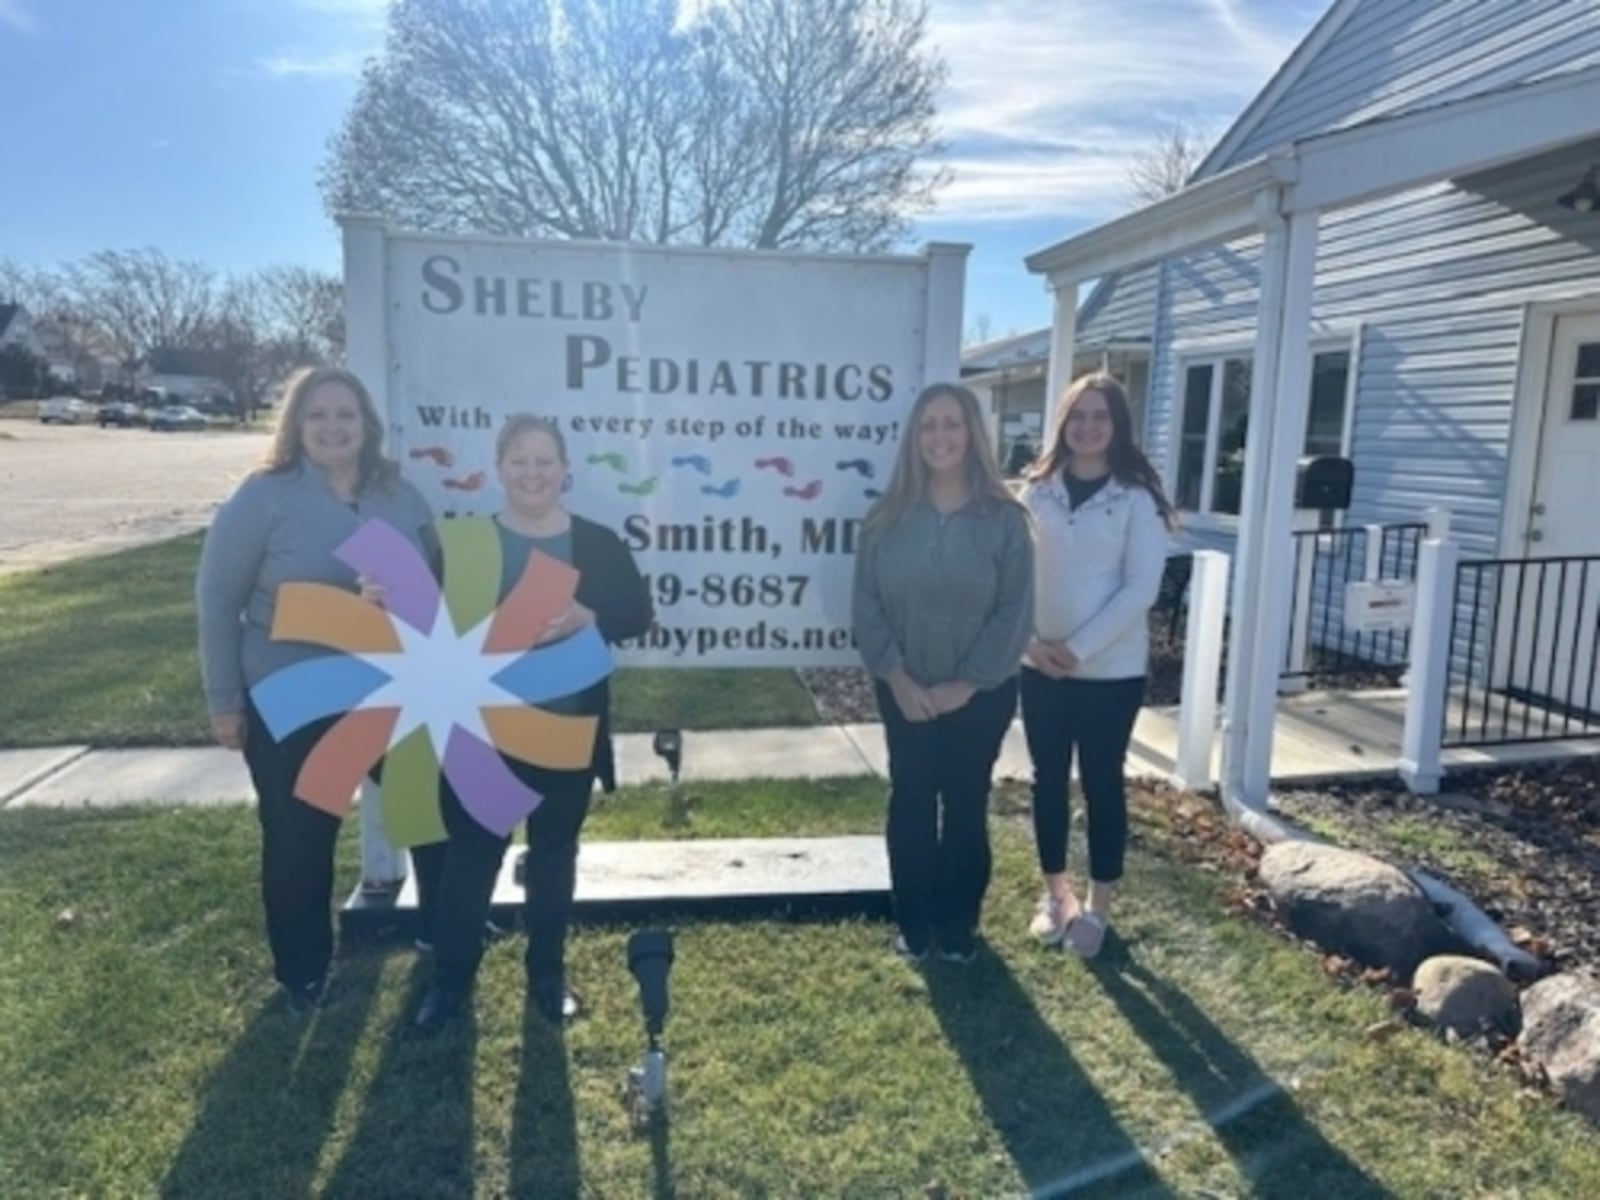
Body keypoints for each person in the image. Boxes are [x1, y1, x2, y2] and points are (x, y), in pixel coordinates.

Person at [196, 366, 434, 1013]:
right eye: (318, 415)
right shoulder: (264, 496)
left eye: (346, 415)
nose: (333, 427)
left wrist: (406, 593)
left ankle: (444, 930)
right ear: (296, 425)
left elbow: (437, 583)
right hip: (292, 691)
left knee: (435, 806)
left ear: (367, 426)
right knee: (301, 835)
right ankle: (303, 972)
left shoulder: (398, 493)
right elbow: (219, 599)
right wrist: (224, 700)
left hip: (391, 686)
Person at [408, 414, 652, 1033]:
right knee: (472, 859)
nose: (532, 473)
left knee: (553, 857)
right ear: (500, 470)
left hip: (567, 733)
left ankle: (547, 974)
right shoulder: (464, 543)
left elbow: (636, 612)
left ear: (566, 469)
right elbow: (424, 625)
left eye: (545, 461)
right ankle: (449, 984)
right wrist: (388, 597)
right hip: (481, 735)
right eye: (519, 461)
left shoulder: (597, 543)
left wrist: (585, 616)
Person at [852, 382, 1033, 964]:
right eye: (928, 425)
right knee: (910, 799)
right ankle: (914, 924)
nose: (940, 436)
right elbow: (866, 605)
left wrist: (967, 684)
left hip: (981, 694)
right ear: (914, 437)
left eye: (951, 423)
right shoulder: (885, 518)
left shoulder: (1005, 520)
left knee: (963, 804)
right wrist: (898, 679)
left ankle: (957, 928)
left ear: (972, 433)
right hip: (903, 691)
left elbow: (1015, 610)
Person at [1019, 372, 1177, 958]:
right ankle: (1056, 895)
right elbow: (1013, 575)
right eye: (1077, 415)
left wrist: (1077, 651)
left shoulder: (1137, 500)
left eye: (1100, 416)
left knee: (1103, 784)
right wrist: (1031, 645)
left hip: (1109, 676)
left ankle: (1098, 906)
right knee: (1047, 782)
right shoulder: (1035, 492)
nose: (1088, 427)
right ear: (1063, 423)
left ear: (1117, 427)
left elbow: (1139, 590)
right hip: (1037, 667)